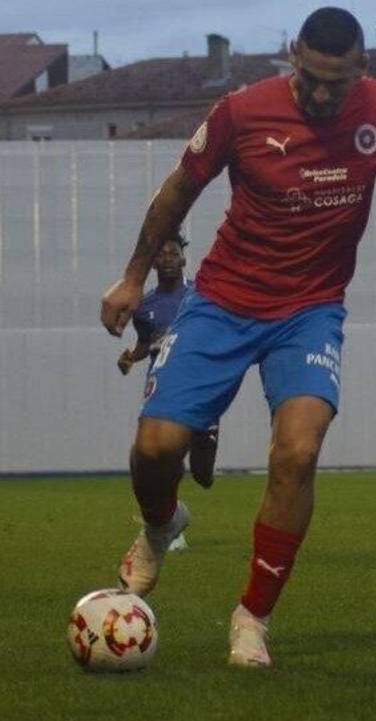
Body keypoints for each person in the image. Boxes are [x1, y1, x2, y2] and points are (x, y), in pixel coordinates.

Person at [98, 7, 376, 668]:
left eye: (339, 82)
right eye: (312, 78)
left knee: (297, 451)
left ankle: (252, 616)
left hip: (311, 309)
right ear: (292, 54)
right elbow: (178, 191)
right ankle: (161, 521)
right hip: (222, 301)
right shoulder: (242, 111)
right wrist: (132, 277)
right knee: (157, 446)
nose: (324, 94)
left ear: (362, 67)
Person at [117, 230, 214, 548]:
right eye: (162, 254)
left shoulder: (199, 295)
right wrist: (132, 356)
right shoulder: (145, 307)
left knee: (202, 474)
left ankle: (203, 451)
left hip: (200, 382)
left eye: (173, 253)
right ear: (154, 262)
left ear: (183, 258)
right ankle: (171, 525)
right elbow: (146, 342)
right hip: (163, 385)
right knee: (164, 456)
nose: (168, 259)